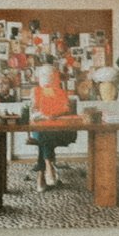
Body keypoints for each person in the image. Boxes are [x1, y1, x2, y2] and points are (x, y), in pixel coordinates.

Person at [29, 60, 76, 191]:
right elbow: (33, 111)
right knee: (43, 135)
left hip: (60, 130)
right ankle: (48, 167)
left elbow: (66, 108)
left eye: (51, 76)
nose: (48, 79)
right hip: (41, 128)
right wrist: (43, 115)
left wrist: (55, 114)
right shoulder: (36, 91)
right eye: (44, 76)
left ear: (55, 77)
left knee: (43, 138)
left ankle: (42, 174)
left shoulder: (61, 92)